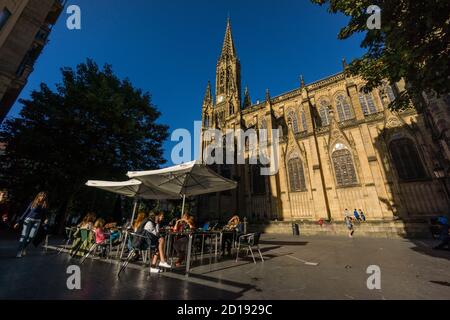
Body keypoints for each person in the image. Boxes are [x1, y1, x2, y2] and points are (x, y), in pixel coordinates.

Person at [14, 192, 49, 258]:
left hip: (37, 222)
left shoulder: (44, 205)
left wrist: (46, 219)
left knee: (31, 237)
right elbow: (26, 212)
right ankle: (19, 252)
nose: (42, 197)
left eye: (44, 197)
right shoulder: (33, 203)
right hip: (28, 220)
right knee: (25, 236)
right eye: (41, 196)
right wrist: (18, 222)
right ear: (38, 196)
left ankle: (24, 248)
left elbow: (44, 215)